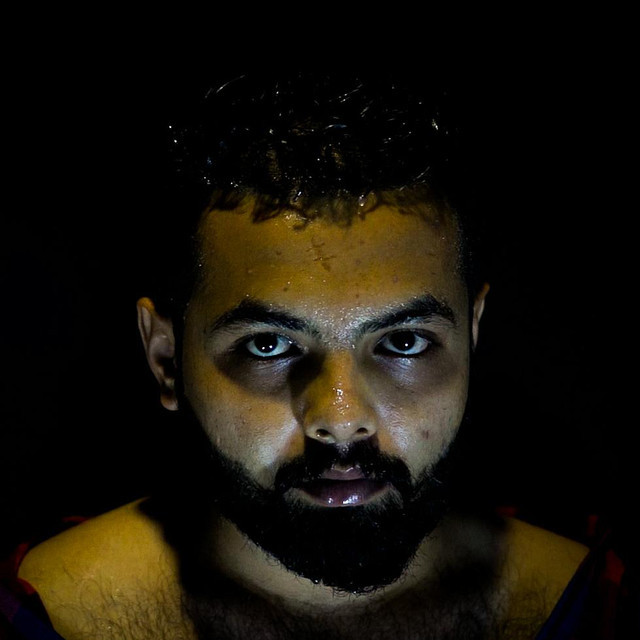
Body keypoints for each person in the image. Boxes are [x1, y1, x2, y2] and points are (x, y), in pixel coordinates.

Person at [1, 71, 636, 639]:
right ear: (166, 359)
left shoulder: (601, 600)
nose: (340, 418)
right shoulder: (39, 613)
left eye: (404, 342)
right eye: (269, 345)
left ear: (471, 338)